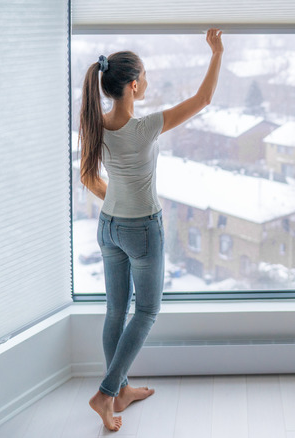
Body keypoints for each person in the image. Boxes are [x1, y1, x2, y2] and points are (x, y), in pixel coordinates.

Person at [79, 29, 223, 431]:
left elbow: (88, 178)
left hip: (108, 227)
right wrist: (217, 52)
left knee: (115, 310)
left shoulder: (95, 124)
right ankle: (107, 393)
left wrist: (118, 201)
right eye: (145, 76)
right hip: (142, 229)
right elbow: (204, 100)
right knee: (146, 311)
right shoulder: (143, 128)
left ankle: (120, 391)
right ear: (134, 85)